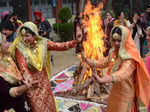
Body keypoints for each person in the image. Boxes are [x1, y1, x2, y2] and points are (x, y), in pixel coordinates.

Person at [9, 21, 82, 112]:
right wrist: (29, 80)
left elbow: (60, 46)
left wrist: (75, 42)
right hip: (32, 85)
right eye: (23, 36)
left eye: (27, 36)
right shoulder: (20, 48)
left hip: (44, 83)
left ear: (34, 35)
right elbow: (23, 66)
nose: (24, 39)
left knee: (50, 106)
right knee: (37, 108)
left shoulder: (43, 43)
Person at [82, 26, 150, 112]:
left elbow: (122, 73)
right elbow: (103, 62)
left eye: (119, 40)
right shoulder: (113, 52)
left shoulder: (130, 57)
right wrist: (87, 60)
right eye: (114, 40)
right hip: (115, 91)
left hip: (126, 95)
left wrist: (104, 79)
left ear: (125, 40)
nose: (116, 43)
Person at [0, 35, 38, 112]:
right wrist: (26, 86)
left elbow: (19, 76)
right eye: (5, 42)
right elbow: (9, 92)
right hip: (8, 106)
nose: (9, 44)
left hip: (20, 102)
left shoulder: (8, 58)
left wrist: (28, 81)